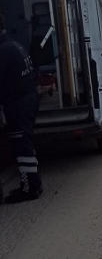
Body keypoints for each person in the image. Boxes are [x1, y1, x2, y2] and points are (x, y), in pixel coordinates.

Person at [0, 10, 42, 204]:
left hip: (18, 104)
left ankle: (30, 188)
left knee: (21, 145)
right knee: (25, 143)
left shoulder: (4, 52)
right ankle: (33, 183)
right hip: (27, 99)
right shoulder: (14, 45)